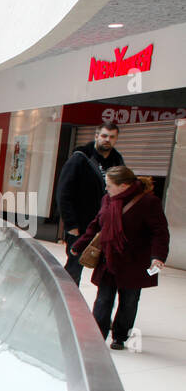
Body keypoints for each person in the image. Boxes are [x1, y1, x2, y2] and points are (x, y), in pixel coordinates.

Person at [70, 165, 169, 351]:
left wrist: (157, 256)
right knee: (103, 299)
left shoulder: (148, 202)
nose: (106, 188)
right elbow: (96, 225)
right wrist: (79, 245)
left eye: (109, 185)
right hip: (109, 259)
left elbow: (160, 232)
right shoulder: (107, 200)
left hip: (134, 262)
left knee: (129, 301)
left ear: (123, 186)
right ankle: (97, 336)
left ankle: (120, 336)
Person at [57, 122, 124, 286]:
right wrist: (70, 224)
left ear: (116, 139)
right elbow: (63, 193)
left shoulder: (118, 162)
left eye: (111, 137)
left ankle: (100, 310)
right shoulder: (80, 158)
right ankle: (69, 305)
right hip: (81, 226)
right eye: (104, 136)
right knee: (74, 268)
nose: (107, 140)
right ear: (96, 136)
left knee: (107, 270)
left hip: (107, 226)